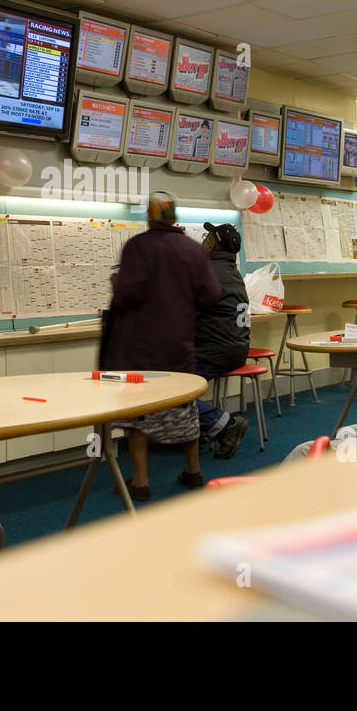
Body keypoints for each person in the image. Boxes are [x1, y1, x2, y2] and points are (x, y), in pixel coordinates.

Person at [105, 192, 221, 500]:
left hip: (139, 347)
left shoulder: (137, 247)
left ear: (149, 216)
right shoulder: (193, 250)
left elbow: (125, 296)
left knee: (138, 413)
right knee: (185, 404)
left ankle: (140, 481)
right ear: (174, 216)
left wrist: (117, 283)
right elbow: (211, 295)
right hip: (179, 344)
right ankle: (194, 471)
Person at [194, 222, 250, 459]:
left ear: (212, 245)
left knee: (168, 388)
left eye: (207, 236)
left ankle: (224, 423)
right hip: (235, 347)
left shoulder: (208, 274)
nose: (203, 240)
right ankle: (196, 430)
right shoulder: (231, 271)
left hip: (215, 352)